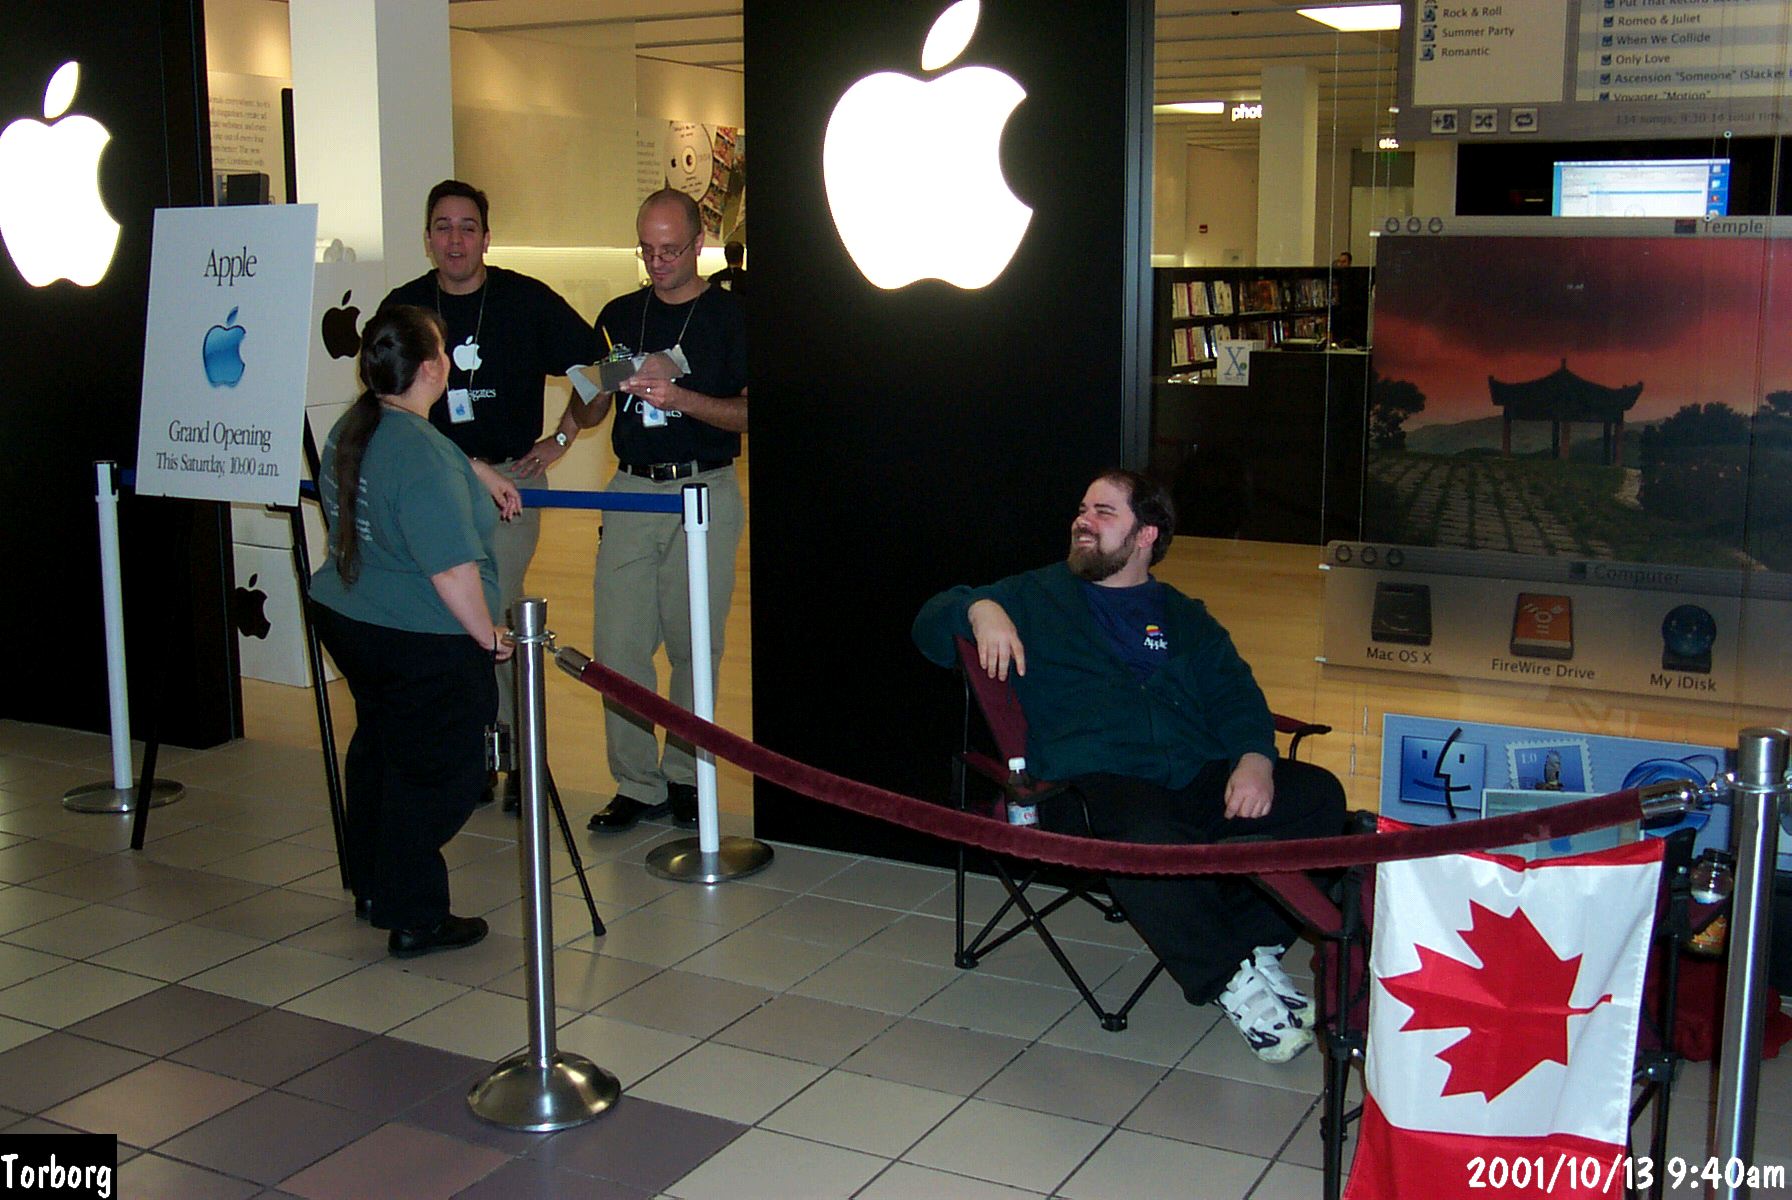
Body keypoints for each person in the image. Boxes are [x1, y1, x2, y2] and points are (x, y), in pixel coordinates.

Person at [912, 469, 1346, 1063]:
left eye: (1104, 512)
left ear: (1146, 535)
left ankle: (1251, 945)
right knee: (1143, 836)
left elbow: (1236, 695)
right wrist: (980, 608)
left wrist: (1253, 758)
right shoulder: (1036, 596)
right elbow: (930, 623)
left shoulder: (1184, 616)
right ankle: (1231, 979)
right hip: (1091, 782)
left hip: (1193, 773)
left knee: (1319, 796)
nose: (1082, 521)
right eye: (1082, 508)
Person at [381, 180, 595, 811]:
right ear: (427, 238)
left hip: (511, 483)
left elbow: (597, 370)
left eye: (467, 227)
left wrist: (562, 435)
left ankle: (514, 753)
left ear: (486, 237)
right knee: (445, 614)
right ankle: (474, 752)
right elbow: (383, 399)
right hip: (431, 482)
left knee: (491, 606)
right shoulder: (405, 308)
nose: (455, 239)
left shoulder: (526, 300)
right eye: (443, 227)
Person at [309, 305, 515, 959]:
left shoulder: (357, 422)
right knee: (441, 767)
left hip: (349, 617)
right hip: (414, 636)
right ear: (432, 367)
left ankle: (371, 883)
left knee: (383, 744)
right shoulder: (419, 455)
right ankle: (414, 912)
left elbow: (411, 449)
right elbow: (451, 570)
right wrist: (489, 638)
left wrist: (473, 468)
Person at [550, 189, 747, 832]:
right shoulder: (619, 313)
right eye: (647, 249)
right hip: (631, 488)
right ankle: (638, 784)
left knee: (696, 644)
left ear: (698, 245)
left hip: (704, 488)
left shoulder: (729, 318)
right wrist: (594, 392)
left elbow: (750, 414)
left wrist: (680, 396)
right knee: (619, 644)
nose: (657, 262)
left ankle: (690, 776)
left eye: (670, 250)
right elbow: (588, 408)